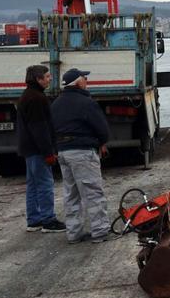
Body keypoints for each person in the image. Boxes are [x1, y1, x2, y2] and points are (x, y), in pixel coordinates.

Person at [51, 68, 110, 244]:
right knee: (92, 192)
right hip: (82, 152)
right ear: (77, 82)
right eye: (84, 78)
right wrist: (102, 141)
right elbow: (101, 128)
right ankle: (99, 231)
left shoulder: (55, 104)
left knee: (71, 194)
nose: (87, 80)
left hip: (63, 152)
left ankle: (74, 233)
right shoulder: (86, 103)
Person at [16, 65, 66, 233]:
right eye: (47, 76)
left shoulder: (27, 95)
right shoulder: (37, 98)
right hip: (38, 149)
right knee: (45, 183)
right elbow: (40, 128)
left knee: (33, 184)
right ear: (38, 79)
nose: (49, 79)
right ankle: (48, 220)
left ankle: (34, 220)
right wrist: (48, 152)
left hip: (29, 148)